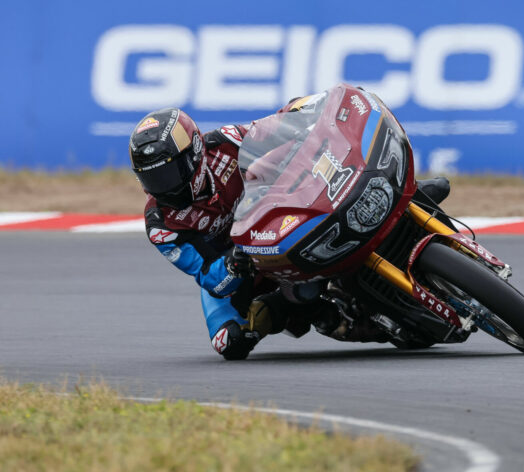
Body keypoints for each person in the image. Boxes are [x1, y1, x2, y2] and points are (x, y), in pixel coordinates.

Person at [129, 100, 450, 360]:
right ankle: (331, 317)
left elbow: (275, 130)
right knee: (230, 342)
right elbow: (208, 277)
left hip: (276, 219)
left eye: (169, 173)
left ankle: (410, 196)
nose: (162, 187)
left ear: (195, 153)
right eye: (151, 178)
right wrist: (233, 265)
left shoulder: (224, 142)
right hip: (238, 266)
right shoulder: (161, 225)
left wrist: (305, 111)